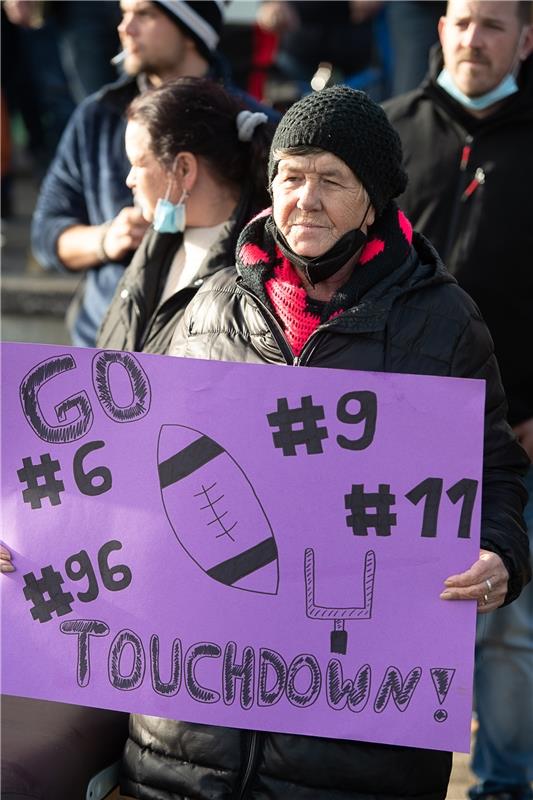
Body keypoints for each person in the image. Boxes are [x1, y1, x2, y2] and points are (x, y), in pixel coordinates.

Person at [114, 83, 533, 800]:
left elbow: (493, 472)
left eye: (330, 180)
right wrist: (42, 532)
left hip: (352, 752)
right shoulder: (207, 306)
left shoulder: (442, 325)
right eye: (290, 176)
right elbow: (129, 459)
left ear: (373, 201)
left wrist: (501, 552)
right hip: (186, 740)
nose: (304, 198)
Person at [383, 2, 533, 797]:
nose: (473, 39)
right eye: (461, 21)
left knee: (509, 632)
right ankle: (385, 775)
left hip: (513, 440)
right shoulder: (383, 135)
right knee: (386, 617)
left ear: (527, 39)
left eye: (494, 26)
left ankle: (504, 785)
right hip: (383, 449)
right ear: (438, 28)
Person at [31, 0, 278, 349]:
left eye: (144, 14)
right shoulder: (98, 115)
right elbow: (45, 233)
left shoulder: (252, 126)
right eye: (124, 12)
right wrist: (106, 239)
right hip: (102, 343)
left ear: (192, 31)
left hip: (208, 352)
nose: (124, 27)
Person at [97, 76, 274, 354]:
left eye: (138, 164)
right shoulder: (155, 244)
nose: (129, 180)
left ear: (183, 169)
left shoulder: (258, 271)